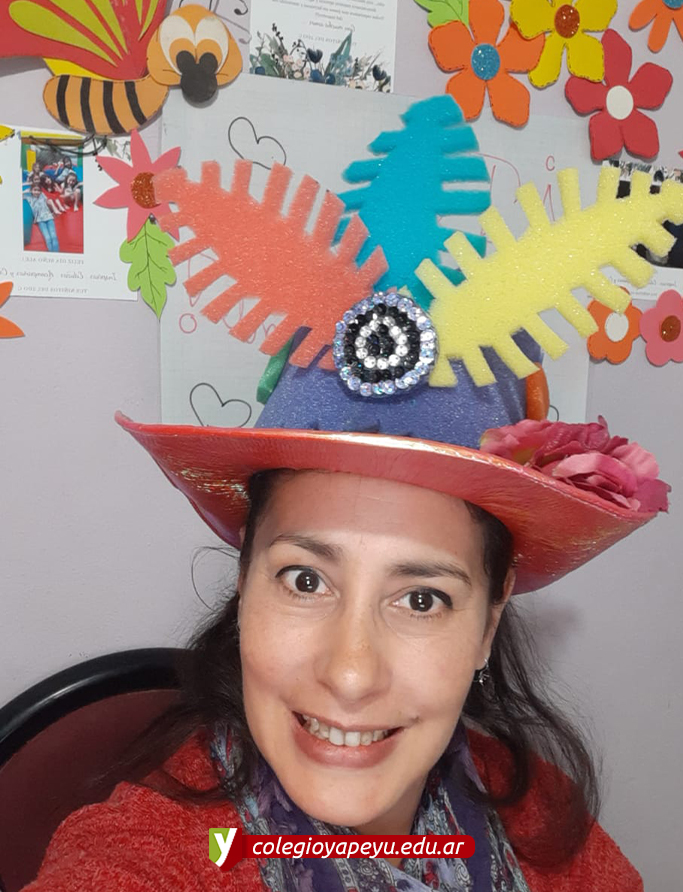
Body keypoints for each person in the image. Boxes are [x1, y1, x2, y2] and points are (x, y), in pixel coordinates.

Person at [20, 280, 666, 891]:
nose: (351, 675)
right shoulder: (145, 856)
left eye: (421, 599)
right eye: (305, 580)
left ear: (487, 626)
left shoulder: (541, 812)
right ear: (244, 587)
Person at [23, 182, 60, 252]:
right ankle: (51, 252)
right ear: (31, 190)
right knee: (47, 238)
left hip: (49, 217)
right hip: (40, 220)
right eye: (35, 190)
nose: (37, 192)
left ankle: (56, 252)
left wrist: (53, 211)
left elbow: (48, 201)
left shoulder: (42, 195)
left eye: (38, 190)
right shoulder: (29, 197)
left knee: (54, 236)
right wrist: (26, 191)